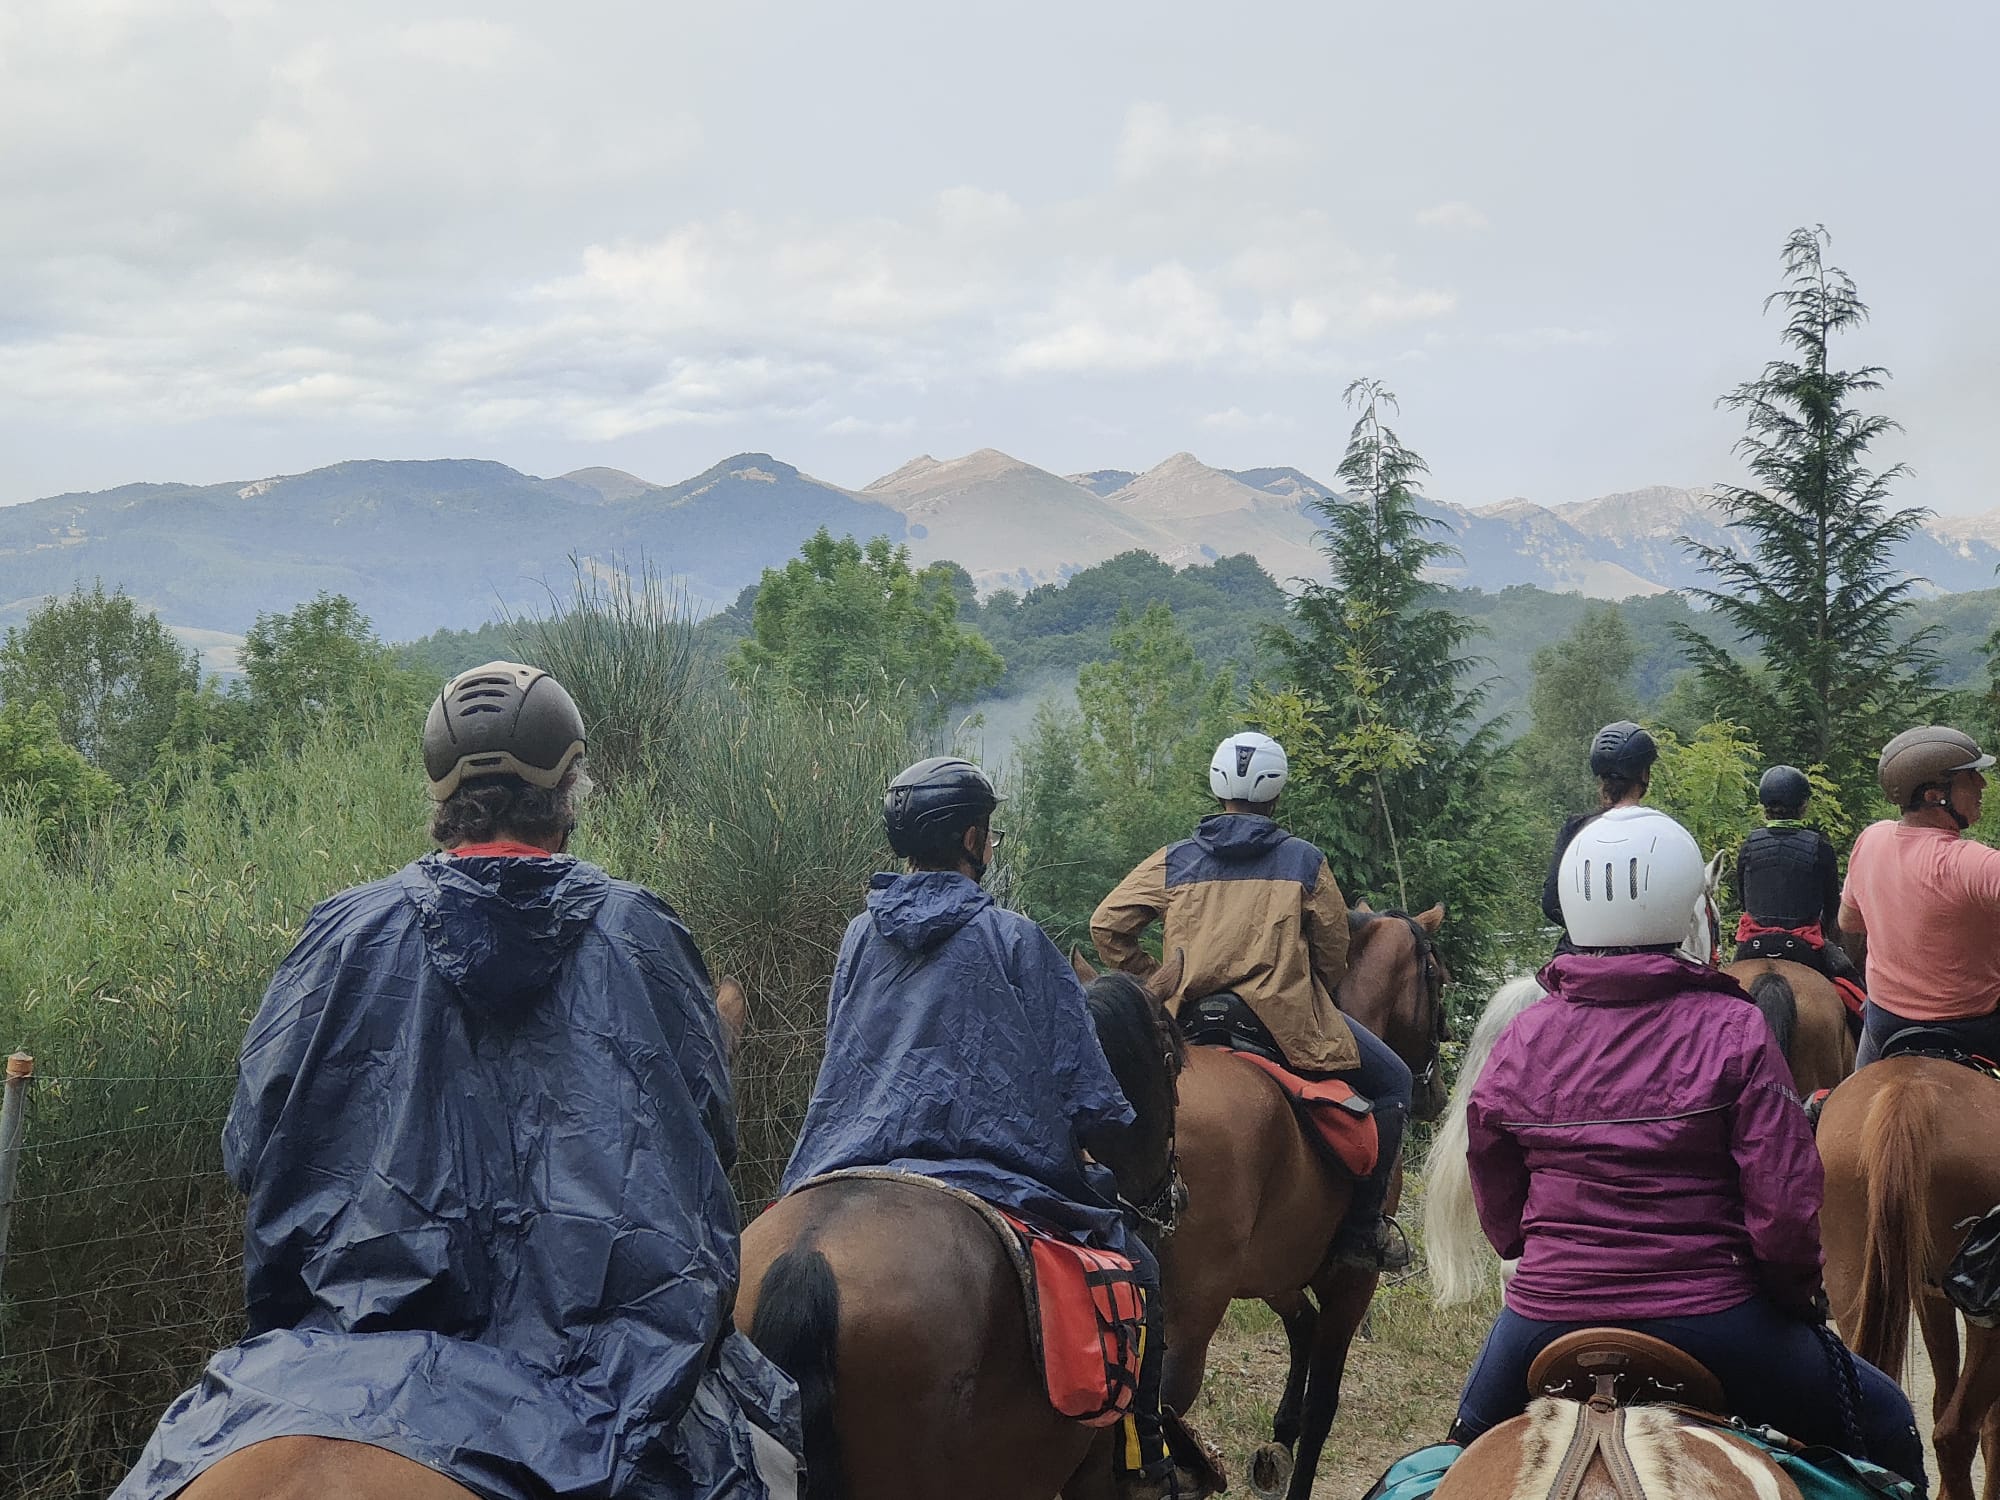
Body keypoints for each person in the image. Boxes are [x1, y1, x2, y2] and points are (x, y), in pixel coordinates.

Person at [115, 662, 801, 1500]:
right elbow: (708, 1137)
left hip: (340, 1356)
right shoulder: (639, 932)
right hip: (605, 1372)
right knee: (767, 1462)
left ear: (440, 793)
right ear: (570, 787)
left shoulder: (343, 932)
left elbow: (250, 1146)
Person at [1450, 806, 1924, 1489]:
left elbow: (1496, 1193)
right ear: (1686, 905)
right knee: (1888, 1424)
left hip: (1547, 1315)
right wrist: (1792, 1294)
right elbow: (1783, 1203)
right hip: (1718, 1319)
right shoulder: (1735, 1028)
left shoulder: (1524, 1036)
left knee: (1447, 1455)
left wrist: (1537, 1250)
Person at [779, 756, 1187, 1499]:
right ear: (972, 837)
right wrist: (1104, 1124)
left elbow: (843, 1055)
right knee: (1142, 1273)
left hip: (845, 1157)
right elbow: (1085, 1089)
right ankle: (1143, 1464)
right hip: (985, 1169)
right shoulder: (1016, 939)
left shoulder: (857, 938)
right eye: (989, 833)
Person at [1089, 731, 1414, 1273]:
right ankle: (1364, 1231)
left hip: (1190, 1018)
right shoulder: (1305, 862)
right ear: (1277, 793)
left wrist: (1156, 980)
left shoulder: (1175, 860)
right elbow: (1334, 952)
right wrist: (1307, 984)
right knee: (1395, 1083)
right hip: (1280, 1025)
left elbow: (1108, 926)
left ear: (1217, 787)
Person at [1841, 725, 2000, 1068]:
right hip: (1975, 1029)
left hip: (1887, 1023)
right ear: (1933, 795)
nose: (1981, 785)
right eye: (1969, 777)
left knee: (1851, 1103)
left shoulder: (1870, 839)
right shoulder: (1975, 863)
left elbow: (1848, 922)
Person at [1733, 765, 1864, 988]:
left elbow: (1744, 899)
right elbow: (1832, 906)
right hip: (1806, 942)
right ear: (1803, 806)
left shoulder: (1749, 845)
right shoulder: (1820, 847)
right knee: (1855, 987)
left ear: (1765, 808)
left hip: (1752, 942)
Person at [1541, 720, 1656, 953]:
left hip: (1578, 953)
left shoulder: (1574, 829)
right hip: (1647, 956)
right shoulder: (1661, 832)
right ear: (1643, 774)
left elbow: (1551, 903)